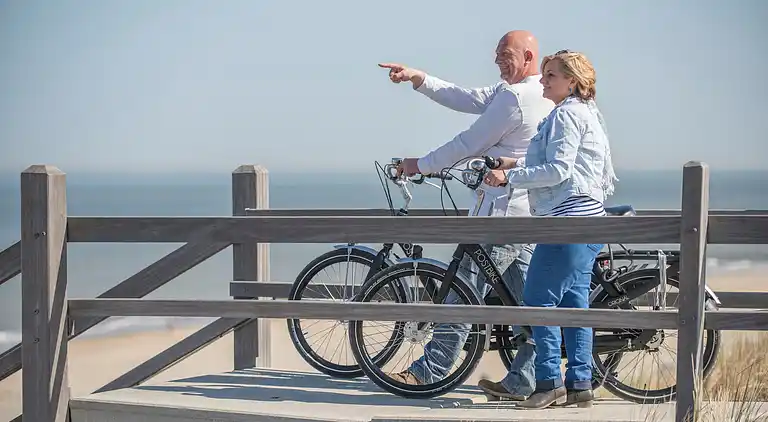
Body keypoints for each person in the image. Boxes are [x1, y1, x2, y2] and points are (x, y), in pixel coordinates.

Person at [383, 29, 554, 399]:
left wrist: (420, 165)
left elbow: (468, 142)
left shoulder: (514, 98)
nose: (495, 60)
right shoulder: (531, 91)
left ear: (527, 57)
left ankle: (429, 372)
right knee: (531, 304)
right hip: (526, 214)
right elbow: (468, 97)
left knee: (462, 291)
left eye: (503, 53)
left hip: (503, 216)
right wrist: (420, 78)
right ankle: (526, 380)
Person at [477, 49, 618, 409]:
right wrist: (514, 162)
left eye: (551, 75)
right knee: (574, 305)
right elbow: (556, 160)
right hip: (586, 222)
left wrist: (508, 177)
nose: (542, 80)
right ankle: (579, 384)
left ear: (572, 80)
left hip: (566, 222)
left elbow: (558, 171)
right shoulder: (583, 113)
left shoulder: (566, 116)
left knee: (537, 301)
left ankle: (548, 382)